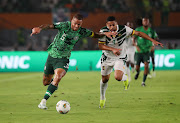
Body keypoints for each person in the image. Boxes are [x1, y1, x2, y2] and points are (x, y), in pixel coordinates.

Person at [30, 13, 116, 110]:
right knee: (46, 82)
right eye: (75, 23)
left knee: (58, 76)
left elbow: (94, 35)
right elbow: (50, 26)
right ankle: (54, 85)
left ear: (81, 24)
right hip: (52, 56)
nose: (76, 26)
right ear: (72, 21)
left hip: (63, 59)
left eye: (78, 24)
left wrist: (105, 34)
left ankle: (43, 102)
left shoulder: (82, 31)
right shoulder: (64, 25)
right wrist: (39, 28)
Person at [98, 16, 163, 108]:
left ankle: (125, 78)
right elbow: (100, 46)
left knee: (117, 77)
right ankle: (102, 97)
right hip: (107, 57)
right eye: (110, 25)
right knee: (105, 79)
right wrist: (112, 49)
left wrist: (152, 40)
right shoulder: (103, 31)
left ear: (117, 23)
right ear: (106, 25)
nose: (112, 27)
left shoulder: (124, 29)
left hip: (119, 56)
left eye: (113, 25)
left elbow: (138, 33)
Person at [133, 17, 159, 86]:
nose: (146, 22)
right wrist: (136, 46)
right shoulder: (138, 30)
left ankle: (143, 82)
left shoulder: (151, 31)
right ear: (142, 22)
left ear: (148, 22)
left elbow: (156, 39)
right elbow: (133, 39)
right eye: (144, 21)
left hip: (147, 51)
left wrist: (153, 46)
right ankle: (138, 72)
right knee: (137, 67)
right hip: (138, 52)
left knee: (146, 65)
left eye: (147, 21)